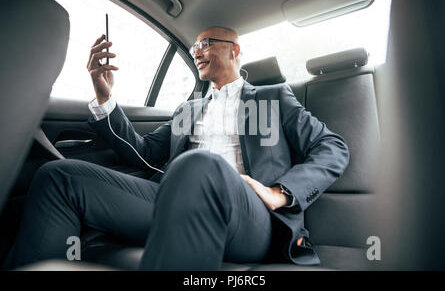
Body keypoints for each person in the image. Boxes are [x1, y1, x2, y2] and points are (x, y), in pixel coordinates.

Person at [3, 26, 349, 270]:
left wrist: (280, 192)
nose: (197, 51)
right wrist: (105, 96)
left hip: (249, 217)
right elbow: (140, 152)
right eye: (194, 46)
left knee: (200, 166)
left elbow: (332, 147)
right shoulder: (190, 108)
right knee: (59, 176)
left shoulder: (273, 98)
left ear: (235, 50)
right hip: (174, 200)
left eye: (207, 43)